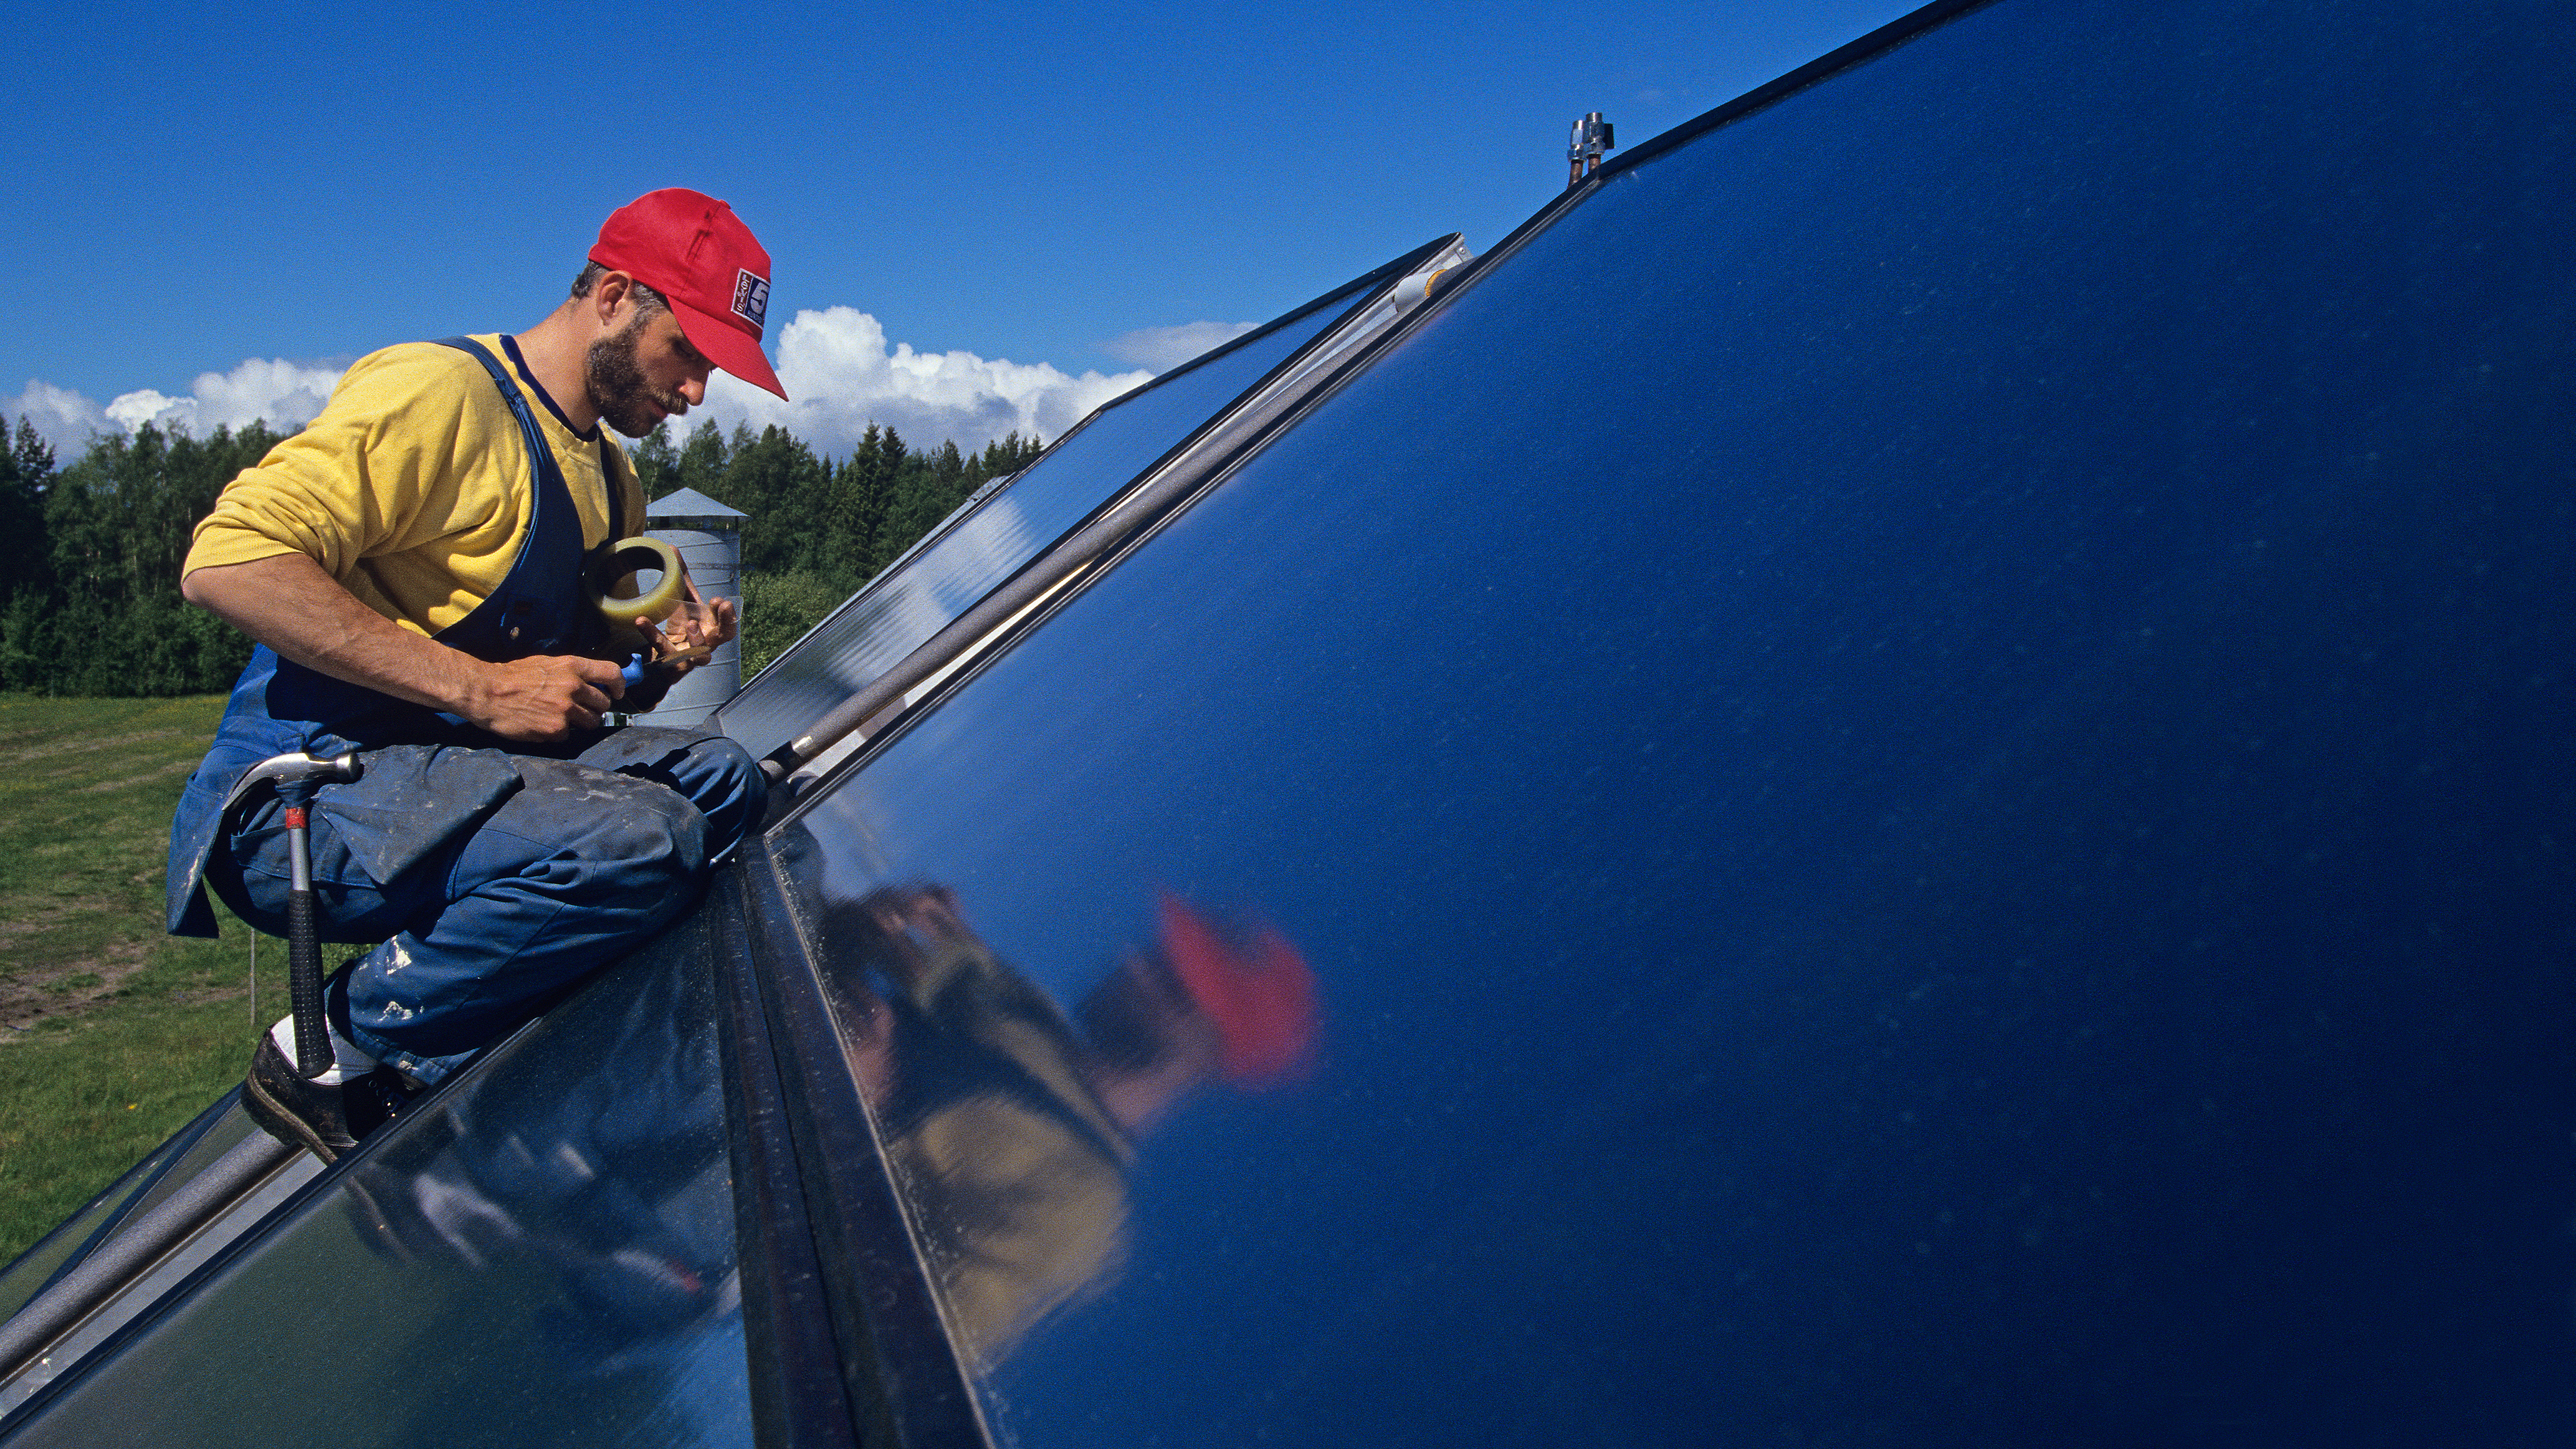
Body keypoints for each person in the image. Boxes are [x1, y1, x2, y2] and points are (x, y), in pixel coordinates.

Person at [165, 189, 786, 1162]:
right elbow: (228, 562)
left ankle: (573, 1043)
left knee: (726, 780)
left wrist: (656, 668)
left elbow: (562, 703)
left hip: (455, 780)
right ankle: (335, 1042)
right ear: (614, 297)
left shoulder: (611, 479)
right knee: (643, 838)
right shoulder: (441, 394)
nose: (699, 391)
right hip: (311, 793)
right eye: (689, 352)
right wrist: (481, 689)